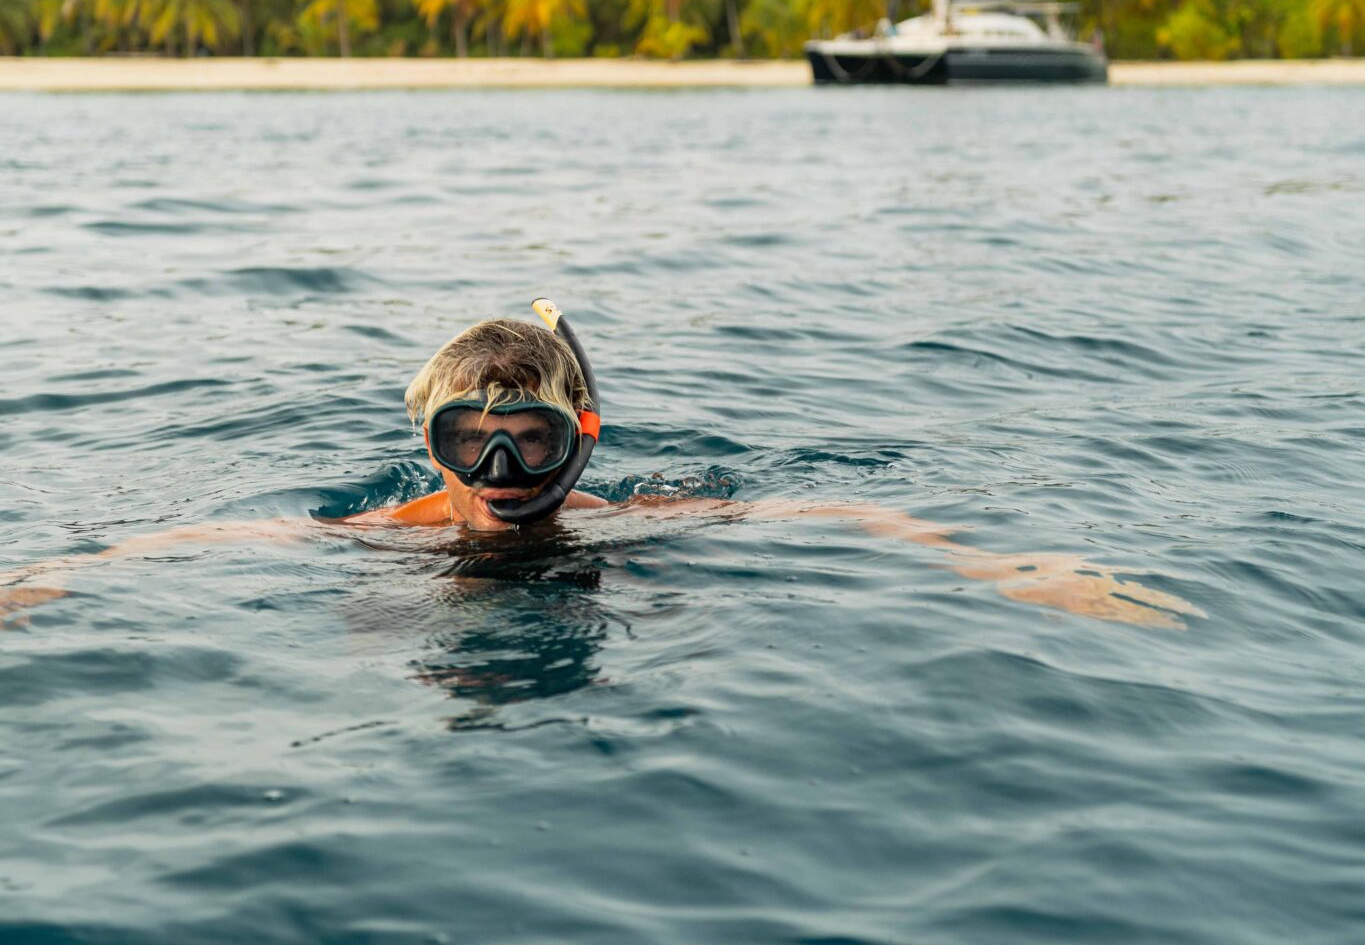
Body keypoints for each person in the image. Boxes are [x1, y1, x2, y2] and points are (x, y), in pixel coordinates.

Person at [0, 302, 1198, 630]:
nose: (501, 470)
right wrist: (57, 575)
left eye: (532, 438)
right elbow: (210, 538)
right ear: (430, 448)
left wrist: (1005, 568)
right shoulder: (398, 529)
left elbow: (835, 511)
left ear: (585, 435)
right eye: (468, 443)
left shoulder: (636, 515)